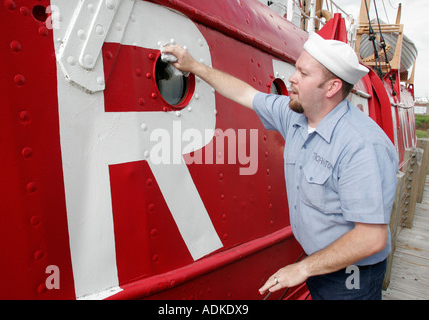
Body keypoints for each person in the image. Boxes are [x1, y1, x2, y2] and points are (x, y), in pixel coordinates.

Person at [162, 32, 398, 300]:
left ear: (332, 88)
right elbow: (245, 94)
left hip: (352, 275)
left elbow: (371, 238)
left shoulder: (361, 146)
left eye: (303, 74)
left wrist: (302, 269)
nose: (292, 79)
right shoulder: (296, 115)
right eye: (295, 69)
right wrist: (195, 66)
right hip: (320, 264)